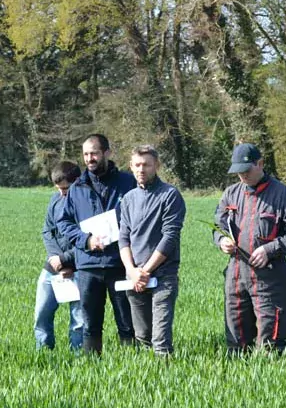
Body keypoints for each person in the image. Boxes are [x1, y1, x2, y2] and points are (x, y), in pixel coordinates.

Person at [214, 142, 286, 353]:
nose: (242, 176)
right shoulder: (230, 194)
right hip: (236, 276)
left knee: (270, 339)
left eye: (246, 170)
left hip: (269, 278)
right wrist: (222, 241)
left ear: (260, 163)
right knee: (236, 338)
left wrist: (269, 249)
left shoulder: (283, 195)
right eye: (238, 172)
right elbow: (217, 227)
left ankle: (269, 375)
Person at [56, 134, 136, 354]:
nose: (89, 158)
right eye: (85, 154)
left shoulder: (128, 183)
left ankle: (133, 367)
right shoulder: (77, 187)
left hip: (119, 263)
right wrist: (86, 241)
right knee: (90, 325)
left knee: (127, 323)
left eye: (94, 153)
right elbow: (63, 221)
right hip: (88, 266)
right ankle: (93, 369)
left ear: (107, 153)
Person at [119, 145, 187, 355]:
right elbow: (123, 238)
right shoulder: (128, 198)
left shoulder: (169, 195)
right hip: (135, 277)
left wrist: (146, 271)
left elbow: (170, 237)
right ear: (131, 166)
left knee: (160, 341)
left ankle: (167, 383)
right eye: (137, 165)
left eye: (146, 165)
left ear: (156, 166)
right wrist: (132, 270)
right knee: (142, 337)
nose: (141, 169)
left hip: (162, 276)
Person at [34, 161, 84, 350]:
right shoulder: (55, 200)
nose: (63, 193)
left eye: (66, 188)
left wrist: (66, 261)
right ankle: (43, 352)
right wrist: (56, 259)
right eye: (59, 188)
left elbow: (89, 241)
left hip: (79, 269)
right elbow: (47, 232)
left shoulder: (88, 205)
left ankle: (79, 357)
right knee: (41, 314)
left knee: (79, 321)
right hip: (52, 268)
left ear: (77, 182)